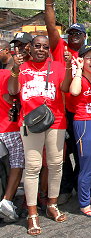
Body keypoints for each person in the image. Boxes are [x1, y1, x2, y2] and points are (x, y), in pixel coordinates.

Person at [8, 35, 72, 235]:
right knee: (33, 167)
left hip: (56, 121)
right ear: (30, 48)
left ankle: (52, 204)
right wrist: (16, 70)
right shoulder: (22, 68)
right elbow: (12, 90)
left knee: (55, 165)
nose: (41, 49)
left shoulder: (58, 67)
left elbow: (65, 88)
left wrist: (69, 68)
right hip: (30, 123)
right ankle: (32, 213)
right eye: (37, 46)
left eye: (45, 46)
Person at [44, 0, 87, 205]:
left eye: (78, 33)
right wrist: (49, 2)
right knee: (61, 153)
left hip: (85, 114)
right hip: (62, 111)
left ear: (85, 36)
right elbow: (51, 28)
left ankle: (81, 185)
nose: (74, 36)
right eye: (71, 33)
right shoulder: (60, 49)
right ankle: (66, 186)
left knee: (84, 154)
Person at [69, 45, 91, 217]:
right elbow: (74, 91)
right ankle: (84, 203)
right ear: (81, 60)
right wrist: (79, 70)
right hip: (84, 123)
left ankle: (87, 194)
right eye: (88, 58)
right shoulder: (79, 78)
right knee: (87, 164)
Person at [0, 59, 23, 222]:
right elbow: (10, 97)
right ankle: (7, 200)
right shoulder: (12, 76)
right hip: (11, 128)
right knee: (17, 164)